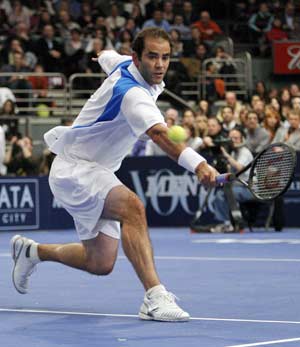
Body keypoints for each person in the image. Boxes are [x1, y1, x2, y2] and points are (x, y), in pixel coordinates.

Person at [10, 28, 218, 322]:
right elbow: (160, 136)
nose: (160, 64)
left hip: (92, 169)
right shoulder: (132, 95)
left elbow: (109, 58)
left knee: (100, 262)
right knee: (132, 207)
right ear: (137, 57)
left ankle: (32, 252)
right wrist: (199, 165)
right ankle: (155, 297)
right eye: (152, 57)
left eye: (165, 57)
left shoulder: (123, 63)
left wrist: (102, 56)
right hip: (75, 168)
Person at [211, 128, 254, 233]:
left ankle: (233, 222)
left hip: (249, 189)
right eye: (231, 138)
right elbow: (230, 173)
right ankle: (228, 223)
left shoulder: (244, 152)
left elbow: (240, 168)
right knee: (221, 194)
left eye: (236, 138)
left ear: (242, 139)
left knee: (222, 194)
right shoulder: (234, 153)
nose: (233, 140)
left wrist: (227, 156)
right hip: (236, 187)